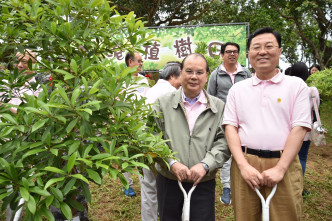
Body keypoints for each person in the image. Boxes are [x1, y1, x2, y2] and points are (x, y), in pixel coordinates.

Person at [222, 27, 311, 221]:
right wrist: (243, 166)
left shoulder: (296, 86)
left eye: (269, 46)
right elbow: (230, 127)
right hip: (245, 164)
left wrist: (280, 169)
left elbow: (300, 128)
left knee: (285, 216)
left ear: (279, 51)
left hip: (283, 164)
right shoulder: (238, 90)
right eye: (256, 47)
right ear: (248, 54)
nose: (262, 51)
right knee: (245, 217)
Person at [153, 53, 230, 221]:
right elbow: (151, 136)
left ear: (207, 75)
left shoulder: (218, 106)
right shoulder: (162, 103)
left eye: (199, 72)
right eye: (189, 71)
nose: (194, 77)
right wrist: (171, 162)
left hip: (203, 181)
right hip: (169, 179)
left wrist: (205, 165)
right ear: (180, 73)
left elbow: (224, 141)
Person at [207, 42, 251, 205]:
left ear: (238, 54)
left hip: (245, 120)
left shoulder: (246, 73)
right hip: (224, 121)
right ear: (222, 54)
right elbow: (210, 97)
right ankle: (227, 187)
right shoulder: (216, 74)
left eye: (235, 52)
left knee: (244, 151)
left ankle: (243, 182)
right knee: (227, 151)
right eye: (228, 52)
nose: (232, 54)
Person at [140, 61, 181, 221]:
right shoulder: (171, 93)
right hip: (161, 147)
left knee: (148, 188)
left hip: (143, 144)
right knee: (167, 190)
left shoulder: (153, 90)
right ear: (172, 76)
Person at [290, 62, 320, 196]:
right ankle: (298, 189)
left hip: (289, 131)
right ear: (306, 75)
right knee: (301, 158)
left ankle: (286, 185)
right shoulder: (312, 90)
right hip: (305, 130)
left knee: (287, 157)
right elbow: (315, 107)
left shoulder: (287, 90)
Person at [122, 52, 149, 197]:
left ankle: (144, 183)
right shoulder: (121, 80)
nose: (141, 64)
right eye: (138, 61)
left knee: (141, 153)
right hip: (125, 123)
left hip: (141, 123)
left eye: (141, 61)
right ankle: (127, 185)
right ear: (130, 62)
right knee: (125, 155)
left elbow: (147, 99)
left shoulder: (143, 80)